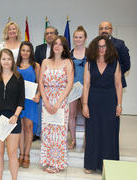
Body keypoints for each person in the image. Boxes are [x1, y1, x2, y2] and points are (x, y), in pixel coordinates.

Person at [83, 36, 122, 173]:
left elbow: (118, 85)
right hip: (93, 101)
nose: (101, 49)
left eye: (104, 46)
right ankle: (91, 164)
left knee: (109, 132)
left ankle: (108, 166)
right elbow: (86, 85)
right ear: (94, 47)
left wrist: (119, 104)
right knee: (93, 132)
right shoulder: (89, 63)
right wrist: (85, 104)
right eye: (99, 46)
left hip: (110, 101)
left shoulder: (115, 63)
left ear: (109, 48)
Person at [0, 48, 25, 180]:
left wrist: (15, 116)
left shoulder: (19, 78)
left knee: (13, 153)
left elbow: (21, 100)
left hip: (13, 119)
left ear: (12, 60)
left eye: (9, 59)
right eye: (4, 59)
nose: (6, 61)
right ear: (0, 60)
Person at [39, 36, 74, 173]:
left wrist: (59, 102)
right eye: (55, 44)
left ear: (64, 47)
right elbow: (41, 82)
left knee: (59, 133)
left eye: (61, 44)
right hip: (46, 100)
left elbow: (69, 83)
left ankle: (57, 163)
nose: (57, 46)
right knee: (47, 132)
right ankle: (47, 160)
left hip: (61, 101)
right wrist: (46, 101)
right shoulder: (45, 61)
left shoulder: (68, 62)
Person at [16, 41, 40, 168]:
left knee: (29, 127)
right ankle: (20, 154)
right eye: (23, 50)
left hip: (31, 101)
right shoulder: (15, 66)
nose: (25, 53)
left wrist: (38, 95)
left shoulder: (36, 66)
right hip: (18, 101)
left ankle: (27, 154)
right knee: (20, 127)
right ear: (20, 52)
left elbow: (40, 83)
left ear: (31, 52)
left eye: (28, 50)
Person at [34, 26, 58, 141]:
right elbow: (36, 66)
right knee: (40, 108)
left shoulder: (61, 48)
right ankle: (38, 132)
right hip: (42, 83)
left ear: (56, 35)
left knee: (55, 109)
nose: (49, 35)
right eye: (47, 33)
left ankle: (53, 132)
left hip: (57, 85)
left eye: (52, 33)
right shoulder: (39, 48)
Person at [68, 26, 87, 149]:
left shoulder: (91, 52)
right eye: (76, 37)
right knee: (71, 114)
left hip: (87, 86)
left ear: (85, 38)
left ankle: (87, 140)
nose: (78, 39)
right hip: (73, 86)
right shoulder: (69, 53)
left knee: (87, 114)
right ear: (73, 38)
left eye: (80, 37)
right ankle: (73, 140)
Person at [99, 21, 130, 88]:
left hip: (116, 82)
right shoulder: (95, 44)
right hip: (98, 82)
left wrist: (117, 73)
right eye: (101, 28)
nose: (103, 30)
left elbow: (126, 64)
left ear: (111, 30)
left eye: (106, 28)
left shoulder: (120, 44)